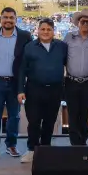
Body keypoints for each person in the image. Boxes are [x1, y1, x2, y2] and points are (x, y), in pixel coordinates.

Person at [0, 7, 32, 162]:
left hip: (15, 83)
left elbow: (30, 59)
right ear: (0, 19)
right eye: (5, 17)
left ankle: (11, 145)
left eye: (11, 17)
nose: (8, 20)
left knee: (14, 116)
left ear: (16, 19)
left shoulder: (25, 36)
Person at [18, 19, 68, 162]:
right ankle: (32, 150)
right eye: (43, 29)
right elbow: (22, 70)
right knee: (34, 121)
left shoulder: (62, 46)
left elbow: (67, 63)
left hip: (55, 90)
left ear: (54, 31)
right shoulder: (29, 47)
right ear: (38, 30)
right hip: (34, 89)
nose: (46, 32)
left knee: (49, 121)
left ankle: (45, 149)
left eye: (49, 29)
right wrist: (20, 90)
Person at [63, 9, 88, 146]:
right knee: (73, 114)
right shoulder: (68, 37)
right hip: (71, 81)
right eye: (83, 21)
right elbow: (62, 57)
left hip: (87, 82)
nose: (85, 23)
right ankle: (74, 144)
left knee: (84, 113)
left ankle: (83, 142)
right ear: (78, 23)